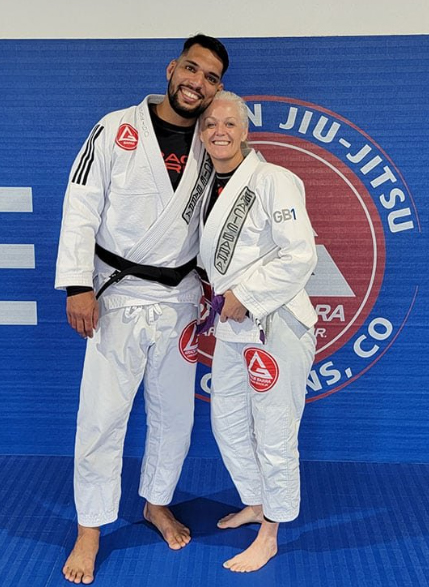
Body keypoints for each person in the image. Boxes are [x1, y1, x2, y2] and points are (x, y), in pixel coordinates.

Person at [55, 34, 228, 584]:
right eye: (192, 69)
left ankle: (156, 501)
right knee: (103, 417)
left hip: (179, 300)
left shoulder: (212, 141)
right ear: (173, 67)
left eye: (211, 78)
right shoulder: (115, 128)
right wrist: (76, 285)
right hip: (117, 295)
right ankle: (91, 526)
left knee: (175, 417)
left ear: (217, 89)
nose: (198, 83)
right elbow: (80, 207)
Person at [198, 91, 317, 572]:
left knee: (273, 431)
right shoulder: (206, 186)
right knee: (225, 423)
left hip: (275, 323)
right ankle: (256, 501)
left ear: (246, 131)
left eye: (229, 123)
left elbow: (301, 255)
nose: (219, 131)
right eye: (209, 124)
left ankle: (271, 532)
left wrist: (247, 296)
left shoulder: (274, 180)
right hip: (232, 327)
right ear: (201, 133)